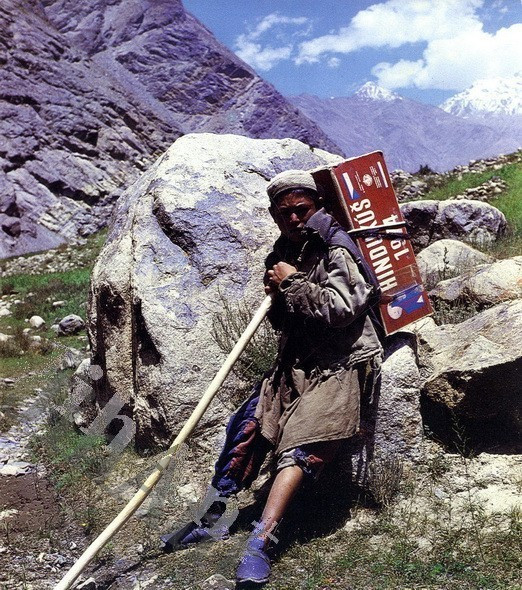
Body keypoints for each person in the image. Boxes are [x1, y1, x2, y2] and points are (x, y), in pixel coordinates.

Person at [161, 169, 383, 585]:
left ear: (317, 206)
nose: (294, 218)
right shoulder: (285, 250)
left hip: (341, 364)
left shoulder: (336, 247)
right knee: (247, 429)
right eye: (285, 213)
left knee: (300, 450)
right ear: (274, 215)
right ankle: (213, 519)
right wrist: (278, 296)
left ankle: (260, 542)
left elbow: (340, 310)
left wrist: (292, 283)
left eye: (302, 209)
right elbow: (286, 320)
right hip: (295, 364)